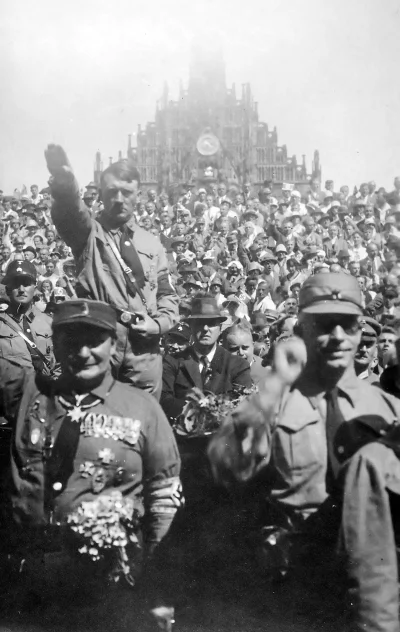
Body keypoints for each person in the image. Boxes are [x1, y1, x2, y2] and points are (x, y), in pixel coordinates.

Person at [209, 272, 400, 632]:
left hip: (370, 583)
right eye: (325, 325)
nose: (339, 337)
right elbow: (225, 468)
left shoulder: (388, 409)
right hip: (288, 586)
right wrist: (274, 387)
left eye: (349, 325)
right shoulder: (269, 403)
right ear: (304, 329)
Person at [0, 299, 181, 630]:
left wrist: (158, 587)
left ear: (114, 343)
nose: (82, 352)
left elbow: (164, 497)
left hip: (107, 584)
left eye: (94, 341)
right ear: (53, 343)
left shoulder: (142, 409)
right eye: (70, 340)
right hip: (28, 580)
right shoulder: (29, 391)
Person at [45, 144, 179, 400]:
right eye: (112, 191)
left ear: (138, 195)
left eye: (126, 192)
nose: (119, 198)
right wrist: (65, 184)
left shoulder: (152, 243)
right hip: (99, 342)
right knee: (93, 417)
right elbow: (70, 212)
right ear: (101, 196)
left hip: (143, 351)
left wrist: (158, 324)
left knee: (141, 420)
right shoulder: (88, 233)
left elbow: (166, 293)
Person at [161, 295, 252, 421]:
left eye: (211, 324)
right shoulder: (173, 361)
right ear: (191, 328)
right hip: (184, 434)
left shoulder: (237, 365)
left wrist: (206, 408)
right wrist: (193, 410)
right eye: (199, 324)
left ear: (220, 328)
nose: (205, 329)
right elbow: (164, 398)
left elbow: (243, 401)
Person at [0, 260, 54, 373]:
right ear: (8, 290)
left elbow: (60, 365)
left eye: (26, 284)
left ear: (34, 289)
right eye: (15, 285)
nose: (21, 290)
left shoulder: (50, 323)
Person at [222, 320, 269, 385]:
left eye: (245, 348)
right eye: (234, 349)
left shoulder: (265, 372)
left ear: (253, 346)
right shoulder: (217, 371)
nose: (241, 353)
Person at [354, 316, 381, 382]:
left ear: (376, 351)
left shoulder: (379, 387)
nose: (363, 349)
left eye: (369, 344)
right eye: (359, 344)